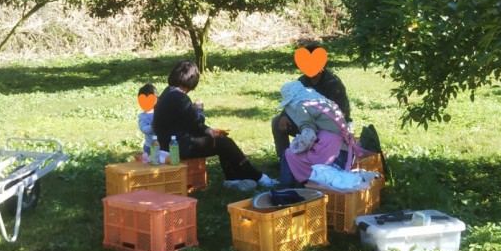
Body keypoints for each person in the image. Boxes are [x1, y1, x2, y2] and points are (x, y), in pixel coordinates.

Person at [152, 60, 278, 191]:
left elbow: (187, 123)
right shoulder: (179, 98)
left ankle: (233, 180)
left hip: (168, 143)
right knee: (224, 143)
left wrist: (209, 131)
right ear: (192, 80)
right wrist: (200, 109)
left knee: (220, 141)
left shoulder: (167, 93)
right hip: (179, 146)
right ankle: (258, 177)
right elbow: (197, 123)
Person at [271, 43, 351, 158]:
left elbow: (342, 112)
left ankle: (317, 157)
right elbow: (292, 100)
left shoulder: (332, 84)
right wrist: (284, 115)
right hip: (307, 122)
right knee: (277, 121)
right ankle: (284, 158)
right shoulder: (302, 81)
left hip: (327, 125)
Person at [276, 81, 351, 186]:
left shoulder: (302, 106)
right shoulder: (325, 102)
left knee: (288, 154)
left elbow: (309, 137)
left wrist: (296, 146)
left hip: (330, 154)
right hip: (346, 152)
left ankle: (286, 187)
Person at [137, 83, 158, 154]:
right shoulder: (143, 116)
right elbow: (143, 129)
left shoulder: (159, 111)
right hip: (150, 146)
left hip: (161, 143)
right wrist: (151, 127)